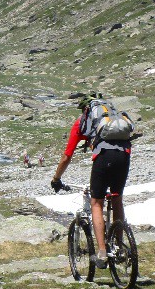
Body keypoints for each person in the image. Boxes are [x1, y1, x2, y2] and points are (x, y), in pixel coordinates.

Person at [51, 93, 131, 269]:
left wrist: (56, 178)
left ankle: (102, 252)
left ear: (85, 109)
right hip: (124, 154)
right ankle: (119, 247)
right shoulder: (112, 118)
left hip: (104, 156)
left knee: (96, 202)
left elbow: (67, 156)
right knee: (117, 199)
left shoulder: (82, 123)